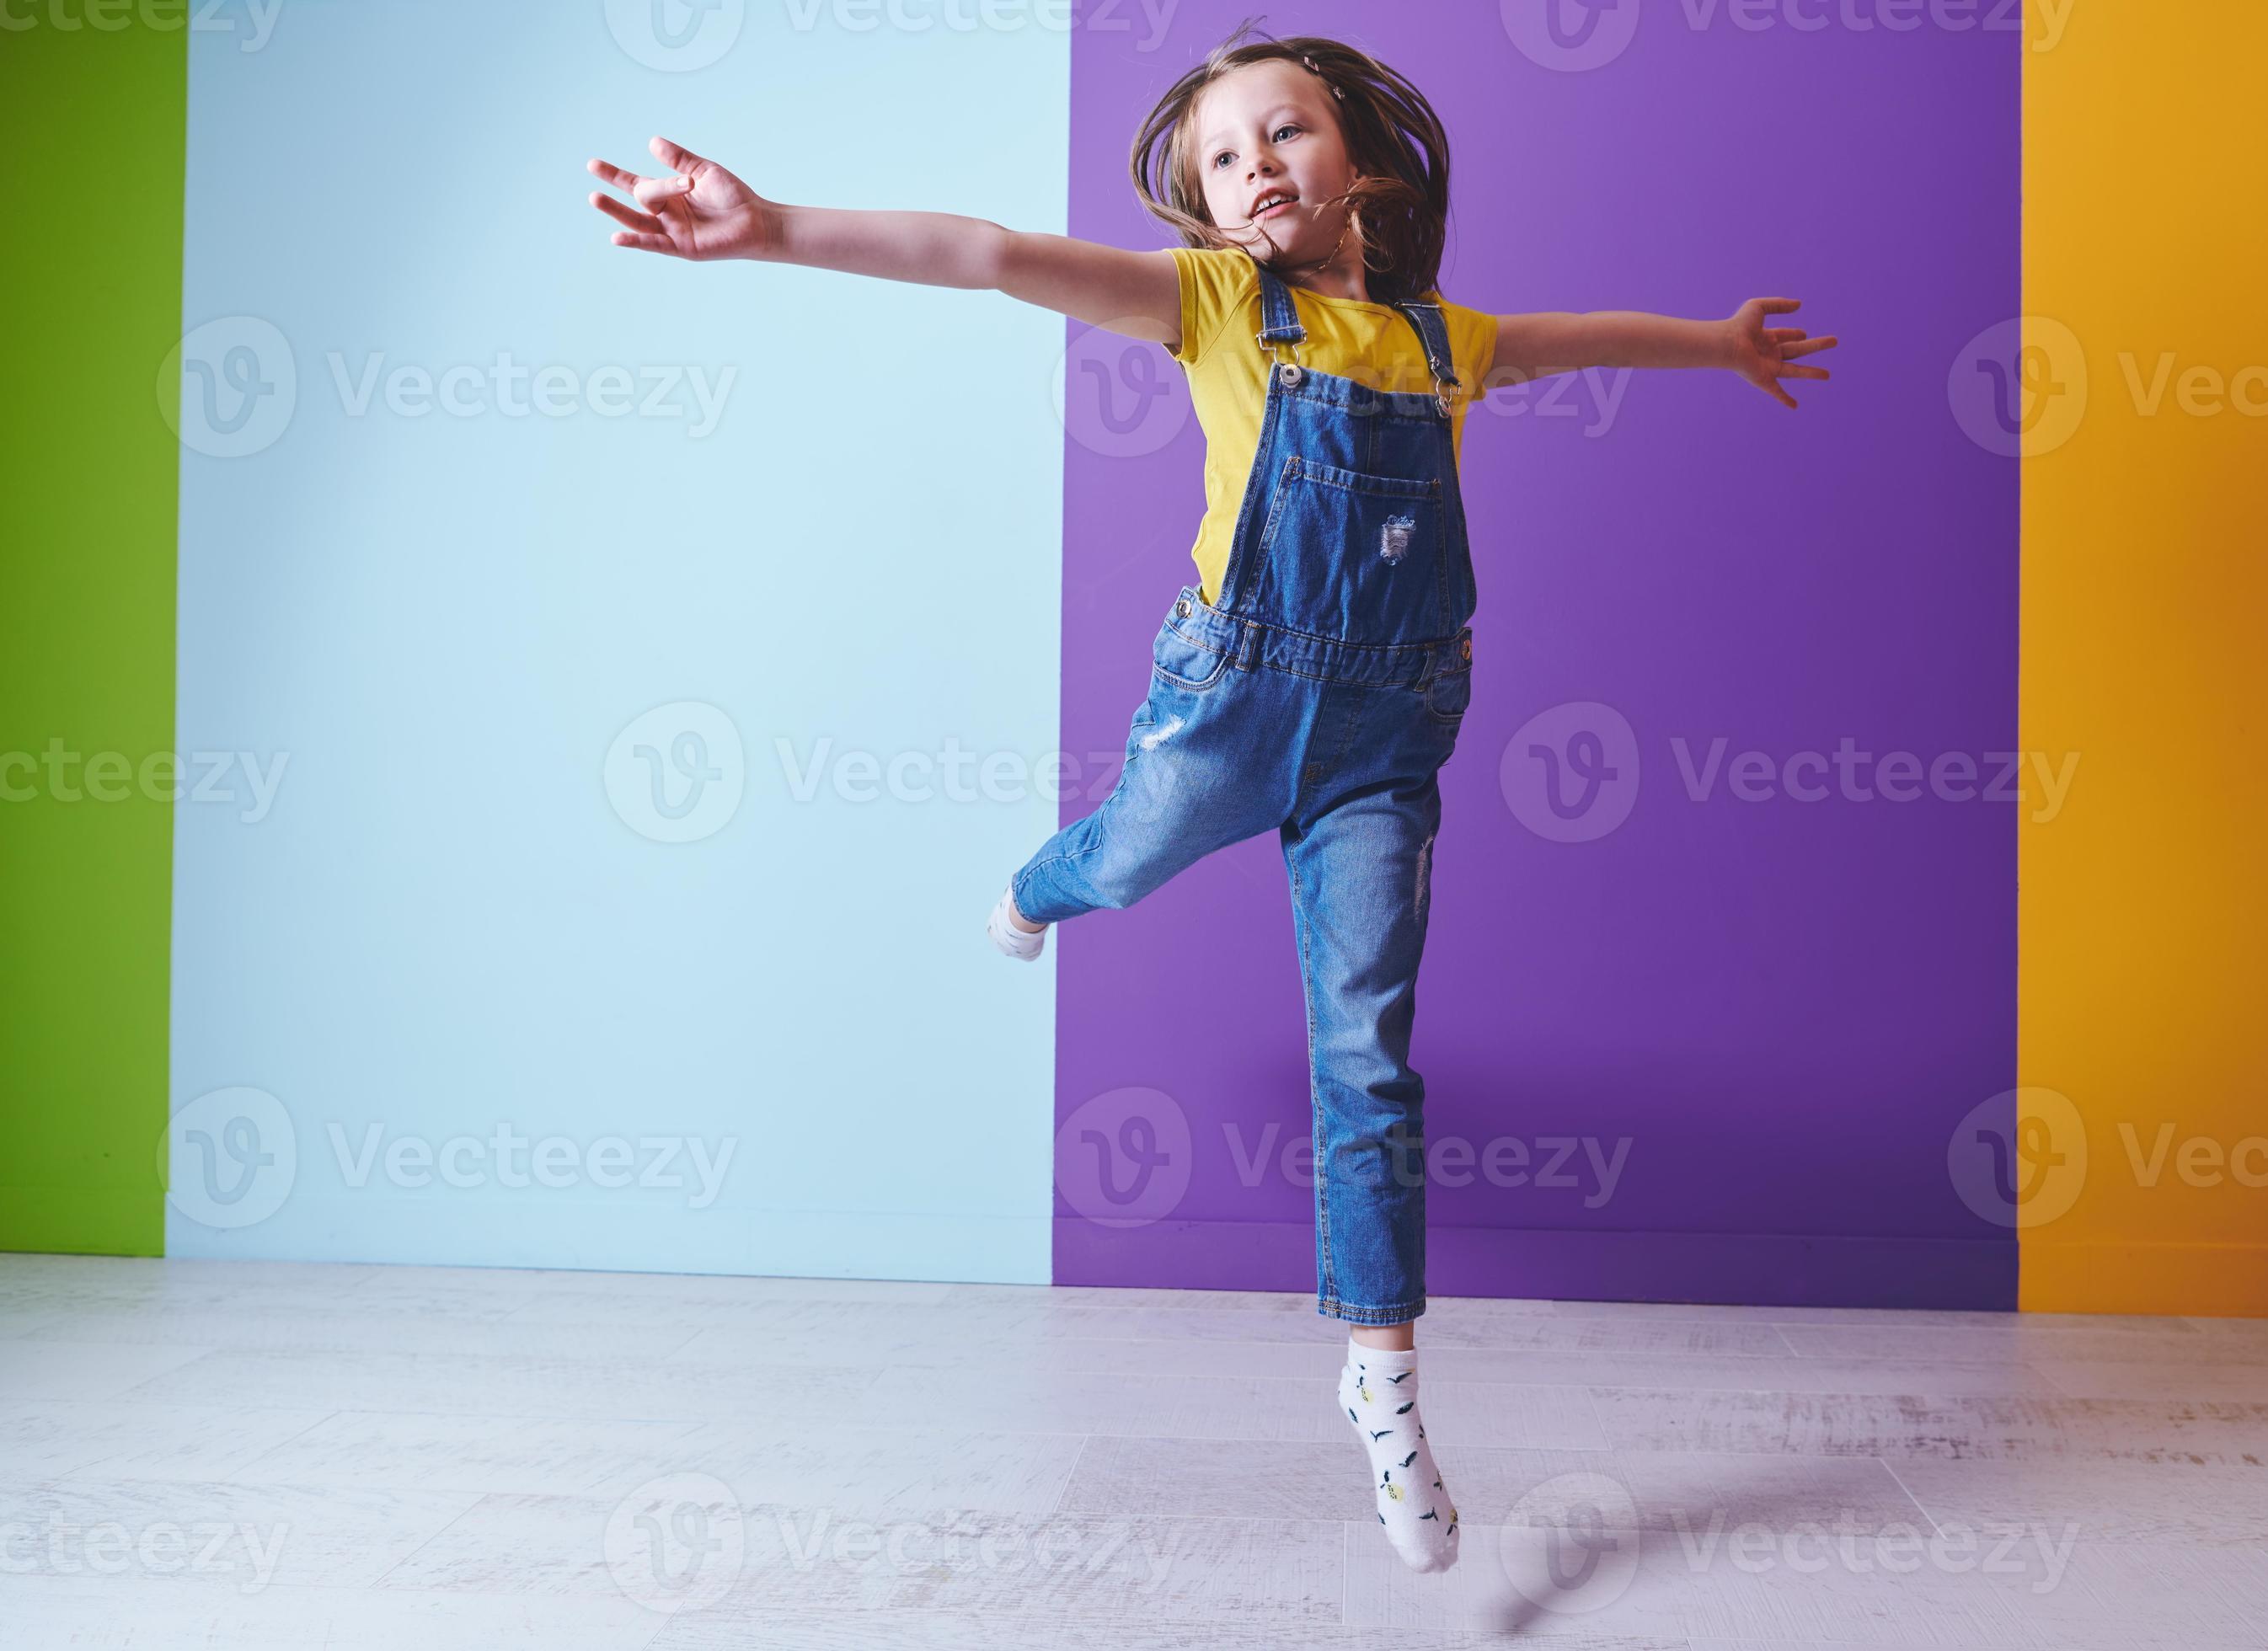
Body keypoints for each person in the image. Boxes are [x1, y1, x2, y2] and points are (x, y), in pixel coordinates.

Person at [586, 24, 1835, 1575]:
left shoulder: (1447, 340)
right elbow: (988, 255)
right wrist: (774, 228)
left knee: (1368, 1057)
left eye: (1284, 131)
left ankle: (1384, 1387)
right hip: (1225, 714)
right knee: (1119, 865)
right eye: (1223, 157)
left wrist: (1721, 341)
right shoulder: (1217, 305)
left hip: (1388, 739)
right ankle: (1036, 887)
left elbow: (1579, 339)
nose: (1256, 167)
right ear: (1203, 204)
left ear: (1356, 157)